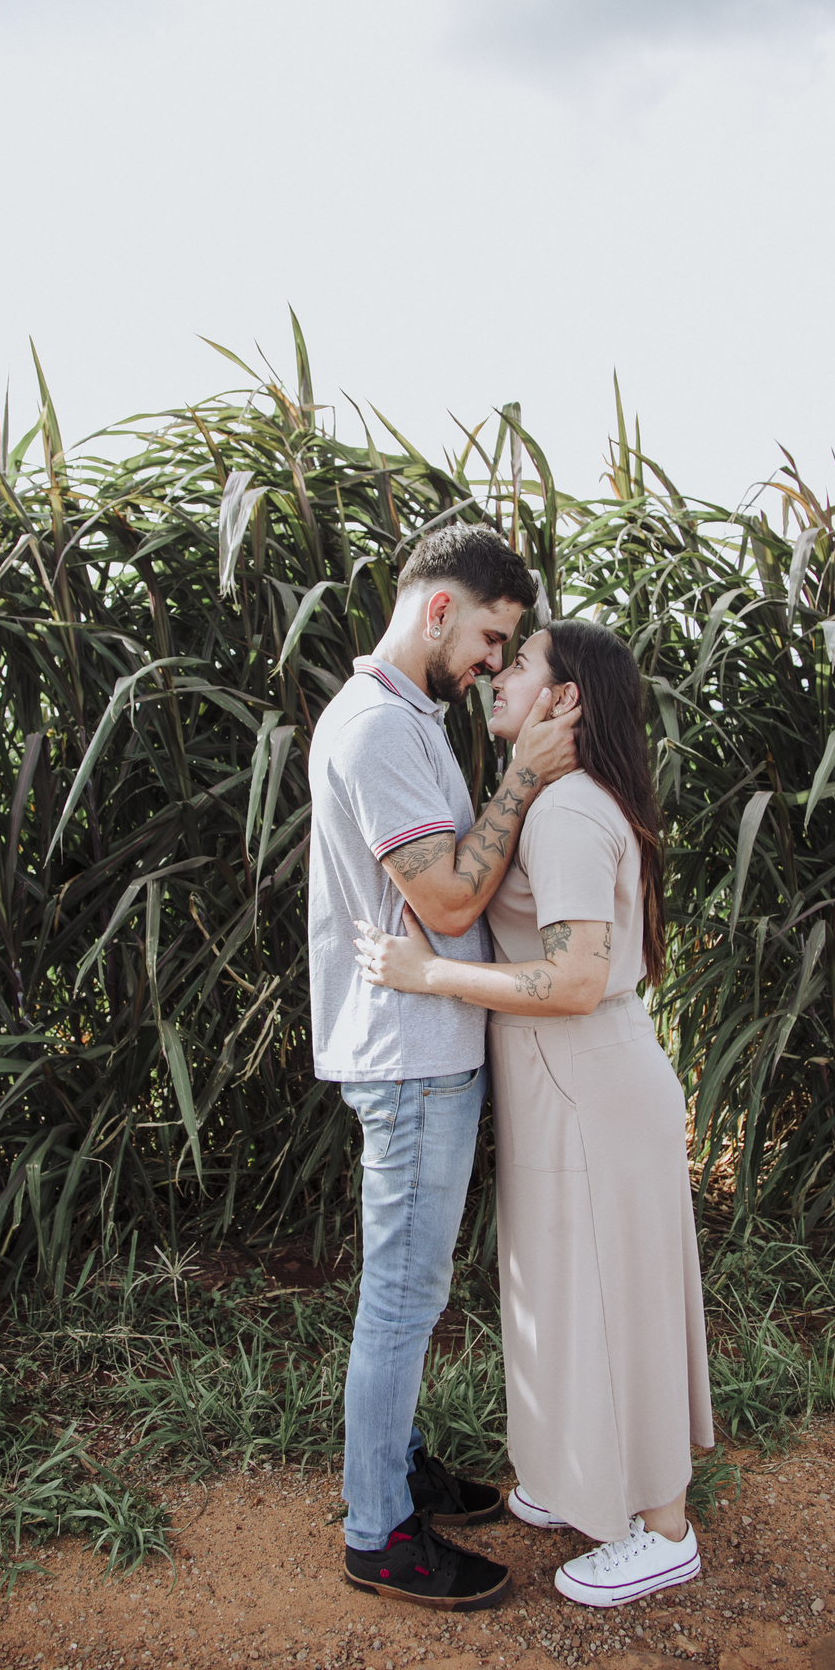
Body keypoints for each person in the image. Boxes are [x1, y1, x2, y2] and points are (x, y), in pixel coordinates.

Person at [355, 618, 714, 1609]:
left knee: (614, 1299)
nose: (498, 677)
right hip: (571, 1085)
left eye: (520, 665)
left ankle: (665, 1529)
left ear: (567, 699)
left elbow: (575, 980)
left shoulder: (567, 815)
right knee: (563, 1293)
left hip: (590, 1085)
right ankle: (579, 1476)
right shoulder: (557, 801)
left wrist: (429, 974)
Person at [307, 523, 580, 1612]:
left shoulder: (407, 716)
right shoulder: (376, 728)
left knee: (413, 1288)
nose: (492, 663)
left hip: (425, 1049)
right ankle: (377, 1530)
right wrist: (524, 775)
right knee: (403, 1295)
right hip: (410, 1058)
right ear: (438, 611)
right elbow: (453, 900)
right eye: (490, 638)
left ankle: (402, 1465)